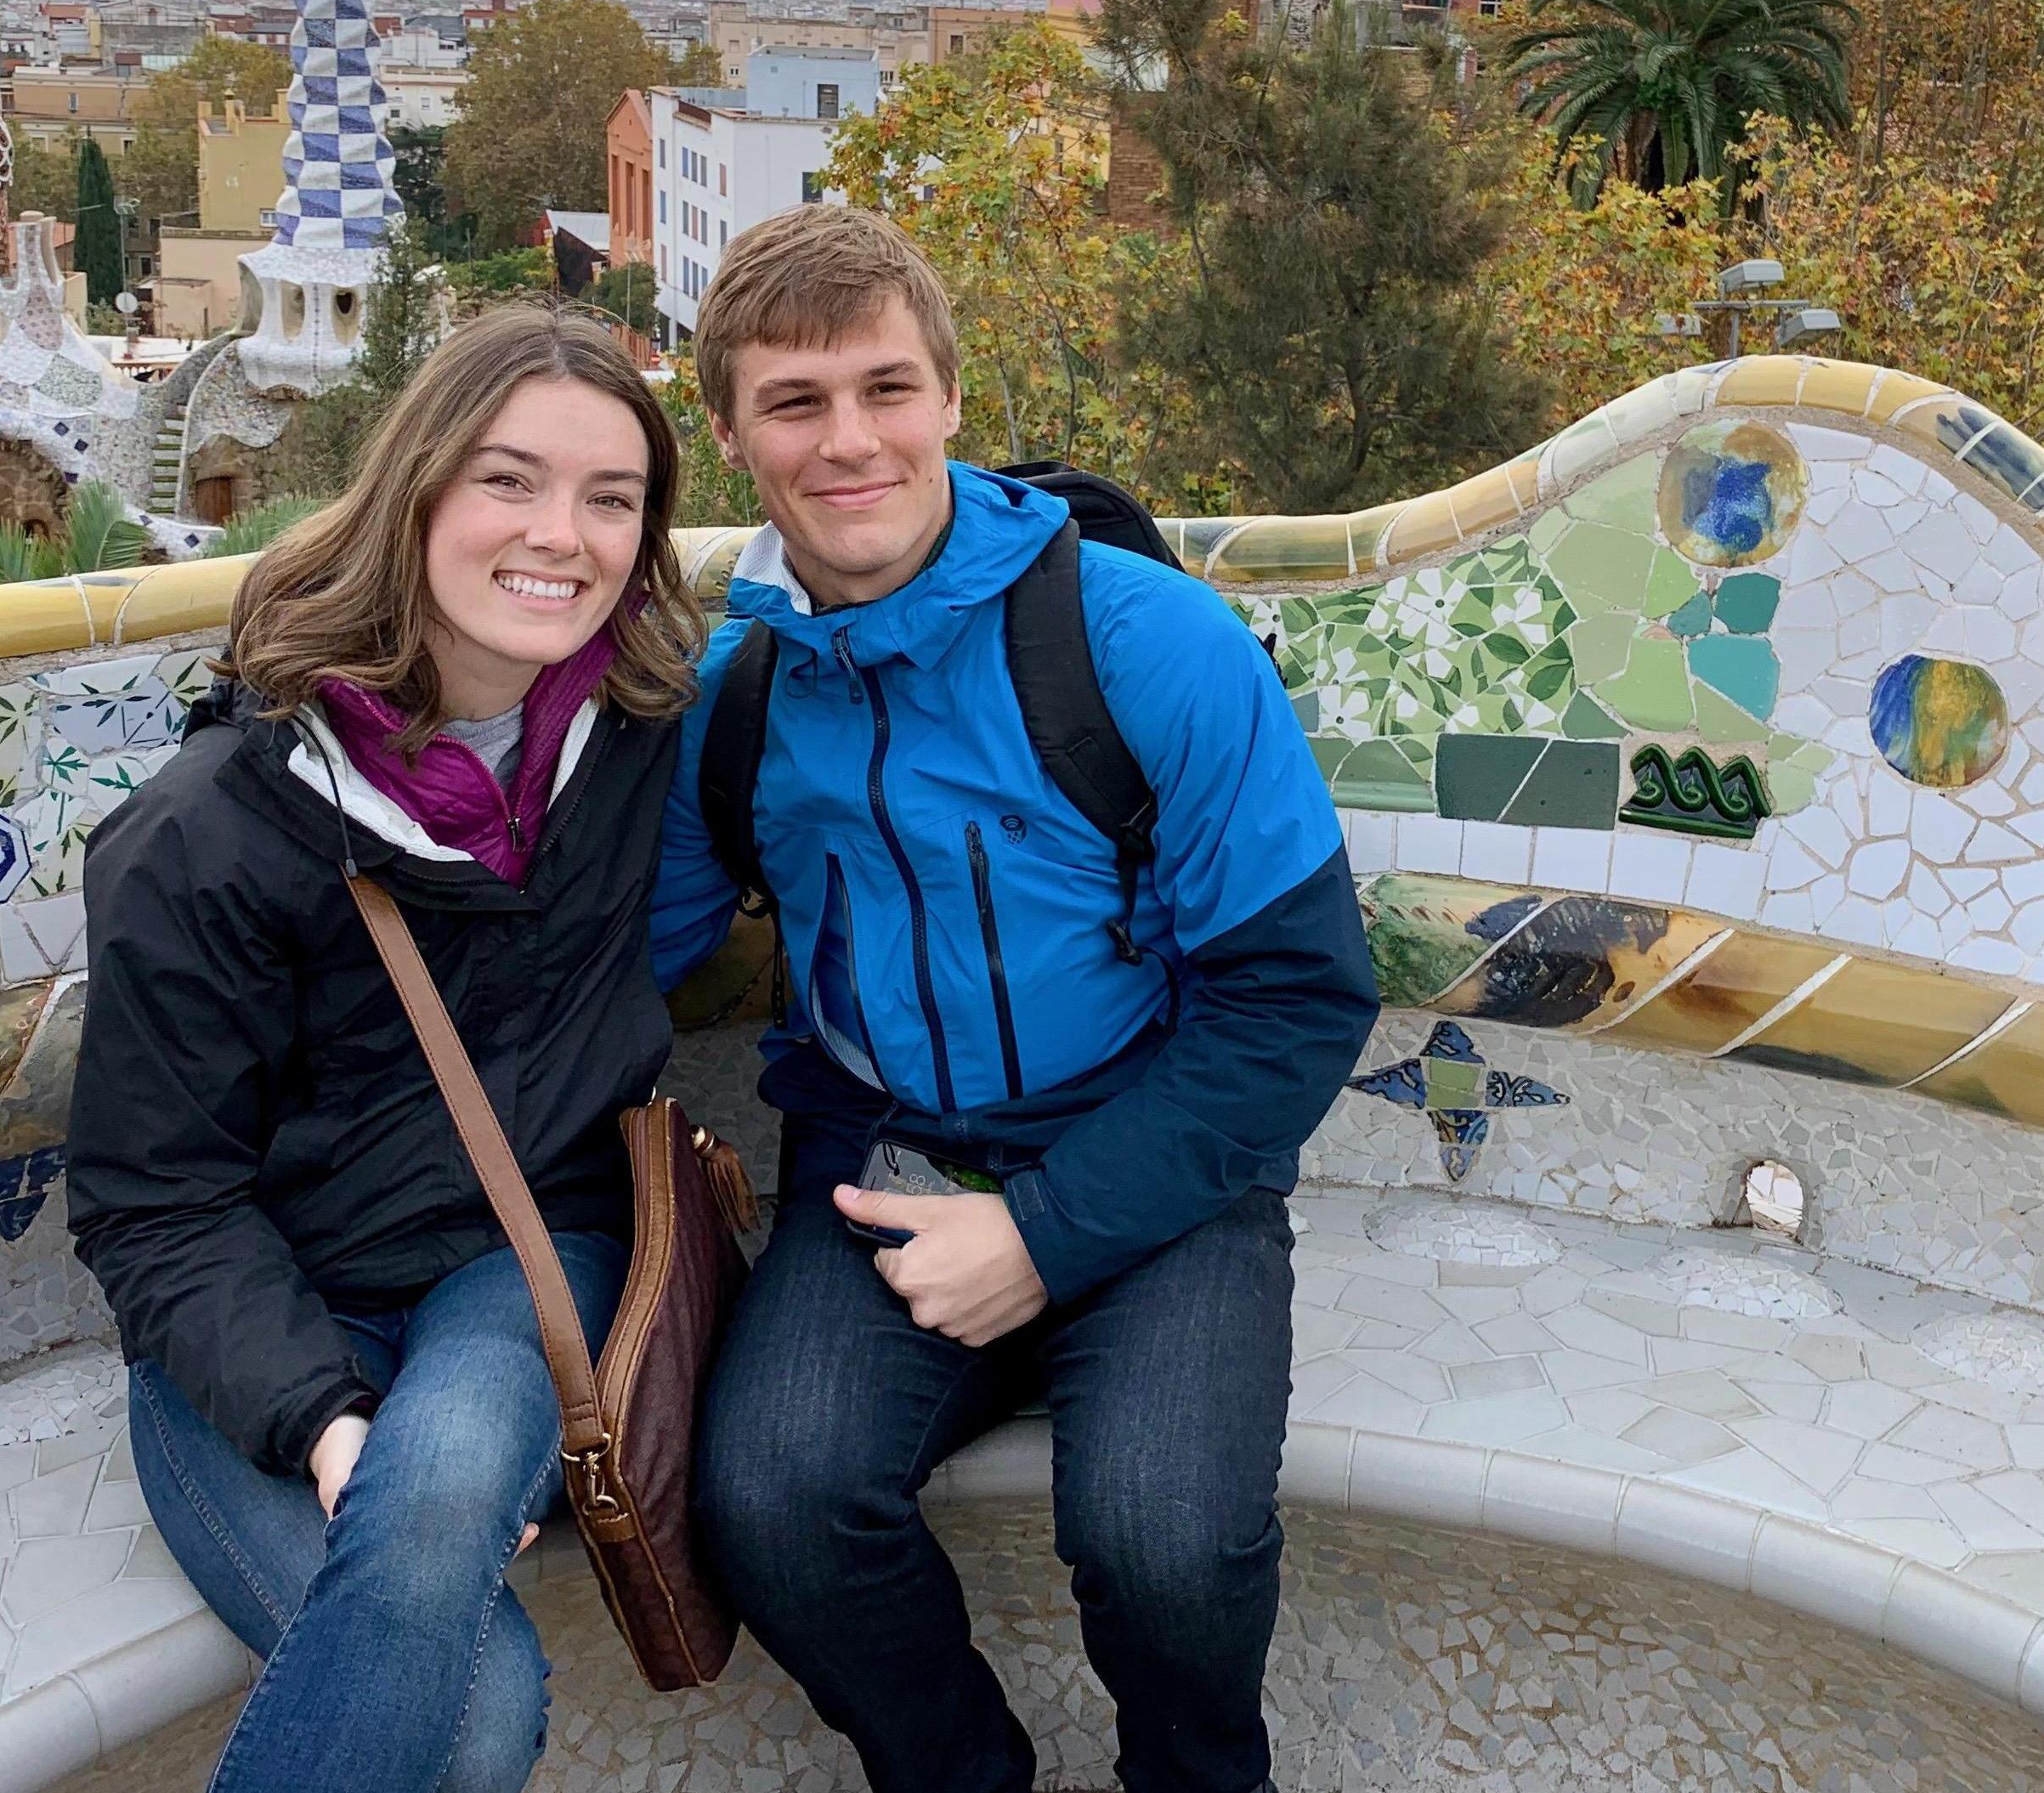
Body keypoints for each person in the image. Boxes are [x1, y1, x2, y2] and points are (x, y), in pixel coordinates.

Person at [652, 205, 1379, 1793]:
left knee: (1165, 1538)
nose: (849, 441)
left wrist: (1044, 1236)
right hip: (889, 1173)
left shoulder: (1142, 642)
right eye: (795, 401)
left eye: (885, 388)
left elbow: (1298, 997)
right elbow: (592, 963)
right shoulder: (742, 698)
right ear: (728, 433)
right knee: (771, 1499)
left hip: (1161, 1167)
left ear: (949, 400)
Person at [69, 303, 705, 1793]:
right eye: (509, 479)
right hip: (269, 1306)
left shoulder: (639, 734)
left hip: (524, 1257)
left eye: (612, 498)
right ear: (414, 490)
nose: (563, 533)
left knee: (431, 1499)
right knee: (476, 1716)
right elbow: (154, 1203)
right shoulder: (210, 833)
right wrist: (315, 1416)